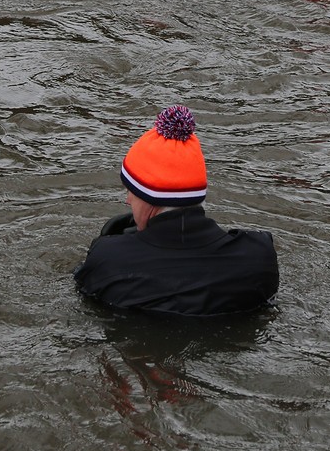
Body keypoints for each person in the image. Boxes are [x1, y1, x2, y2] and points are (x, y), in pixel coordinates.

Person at [73, 105, 278, 316]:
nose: (128, 200)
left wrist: (101, 251)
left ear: (150, 198)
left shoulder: (109, 260)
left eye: (131, 191)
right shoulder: (259, 256)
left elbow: (86, 299)